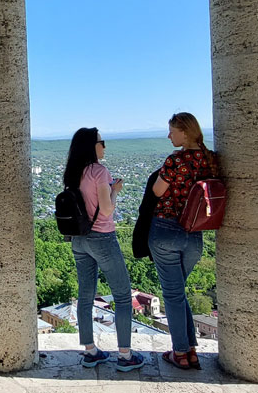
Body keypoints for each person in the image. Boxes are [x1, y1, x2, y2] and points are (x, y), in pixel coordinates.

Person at [63, 127, 146, 371]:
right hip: (102, 237)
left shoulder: (73, 172)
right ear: (92, 146)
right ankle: (125, 355)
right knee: (122, 295)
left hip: (79, 239)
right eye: (102, 142)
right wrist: (114, 190)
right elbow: (107, 210)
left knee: (85, 297)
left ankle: (90, 351)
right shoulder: (99, 171)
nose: (104, 146)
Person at [149, 112, 219, 370]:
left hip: (167, 229)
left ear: (185, 132)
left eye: (172, 131)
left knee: (173, 294)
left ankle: (180, 353)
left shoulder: (176, 160)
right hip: (195, 235)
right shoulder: (210, 159)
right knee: (179, 293)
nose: (169, 135)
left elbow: (158, 191)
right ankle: (190, 349)